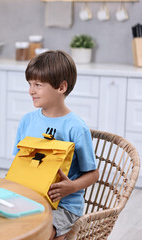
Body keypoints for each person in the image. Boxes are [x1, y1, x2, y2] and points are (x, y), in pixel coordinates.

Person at [12, 50, 99, 240]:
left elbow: (93, 174)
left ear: (61, 87)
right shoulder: (27, 121)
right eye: (29, 84)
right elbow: (18, 162)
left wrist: (72, 187)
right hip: (29, 199)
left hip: (64, 207)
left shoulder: (76, 127)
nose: (31, 91)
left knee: (40, 233)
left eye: (38, 85)